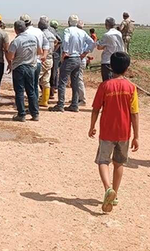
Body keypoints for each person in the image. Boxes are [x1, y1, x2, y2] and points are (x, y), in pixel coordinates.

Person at [88, 51, 139, 213]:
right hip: (124, 133)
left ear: (110, 67)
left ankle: (107, 188)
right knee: (119, 163)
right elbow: (135, 113)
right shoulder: (131, 88)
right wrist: (136, 136)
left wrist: (92, 126)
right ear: (127, 68)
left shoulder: (104, 86)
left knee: (103, 161)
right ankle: (114, 194)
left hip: (107, 132)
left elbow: (96, 109)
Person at [50, 15, 95, 112]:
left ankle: (60, 104)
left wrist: (65, 52)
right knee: (75, 82)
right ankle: (74, 104)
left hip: (69, 58)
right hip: (78, 58)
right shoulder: (82, 32)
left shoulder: (68, 30)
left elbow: (65, 40)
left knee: (62, 81)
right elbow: (92, 43)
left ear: (69, 22)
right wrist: (85, 52)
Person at [6, 20, 40, 122]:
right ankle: (35, 114)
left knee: (19, 91)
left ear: (15, 30)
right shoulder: (33, 38)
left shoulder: (16, 41)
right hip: (31, 67)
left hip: (19, 68)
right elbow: (39, 51)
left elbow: (10, 56)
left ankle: (21, 114)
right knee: (31, 91)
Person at [21, 15, 49, 101]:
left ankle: (32, 105)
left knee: (28, 85)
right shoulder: (38, 31)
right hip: (38, 61)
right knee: (35, 84)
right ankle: (34, 105)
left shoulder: (23, 33)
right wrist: (44, 55)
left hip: (28, 63)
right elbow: (46, 44)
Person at [38, 16, 59, 107]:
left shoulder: (41, 34)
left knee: (36, 79)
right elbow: (57, 41)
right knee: (46, 80)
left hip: (43, 59)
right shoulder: (51, 34)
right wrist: (53, 50)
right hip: (50, 59)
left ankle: (35, 99)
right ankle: (44, 101)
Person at [97, 17, 125, 82]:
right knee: (116, 81)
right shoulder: (119, 33)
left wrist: (98, 43)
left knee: (107, 82)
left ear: (106, 24)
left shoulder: (107, 35)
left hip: (108, 61)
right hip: (118, 60)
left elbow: (99, 47)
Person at [76, 20, 89, 105]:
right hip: (82, 58)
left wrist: (83, 54)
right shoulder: (85, 34)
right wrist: (85, 54)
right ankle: (77, 98)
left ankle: (82, 99)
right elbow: (91, 44)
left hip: (80, 59)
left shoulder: (78, 34)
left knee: (79, 79)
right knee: (76, 79)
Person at [49, 20, 62, 100]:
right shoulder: (59, 32)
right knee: (56, 71)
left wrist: (53, 49)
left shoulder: (53, 33)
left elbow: (59, 42)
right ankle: (54, 87)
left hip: (55, 55)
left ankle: (52, 90)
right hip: (58, 55)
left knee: (53, 72)